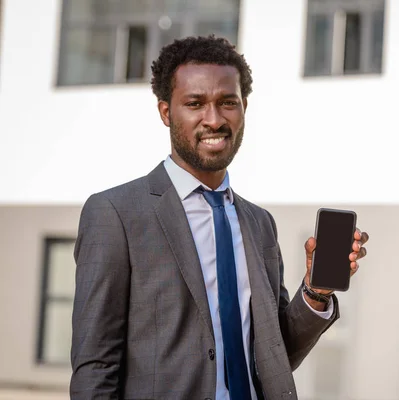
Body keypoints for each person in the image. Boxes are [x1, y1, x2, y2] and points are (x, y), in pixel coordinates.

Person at [70, 35, 369, 400]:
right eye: (195, 103)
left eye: (228, 103)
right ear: (166, 112)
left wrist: (315, 292)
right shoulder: (116, 214)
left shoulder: (259, 224)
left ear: (244, 107)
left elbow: (275, 357)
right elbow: (96, 368)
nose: (214, 119)